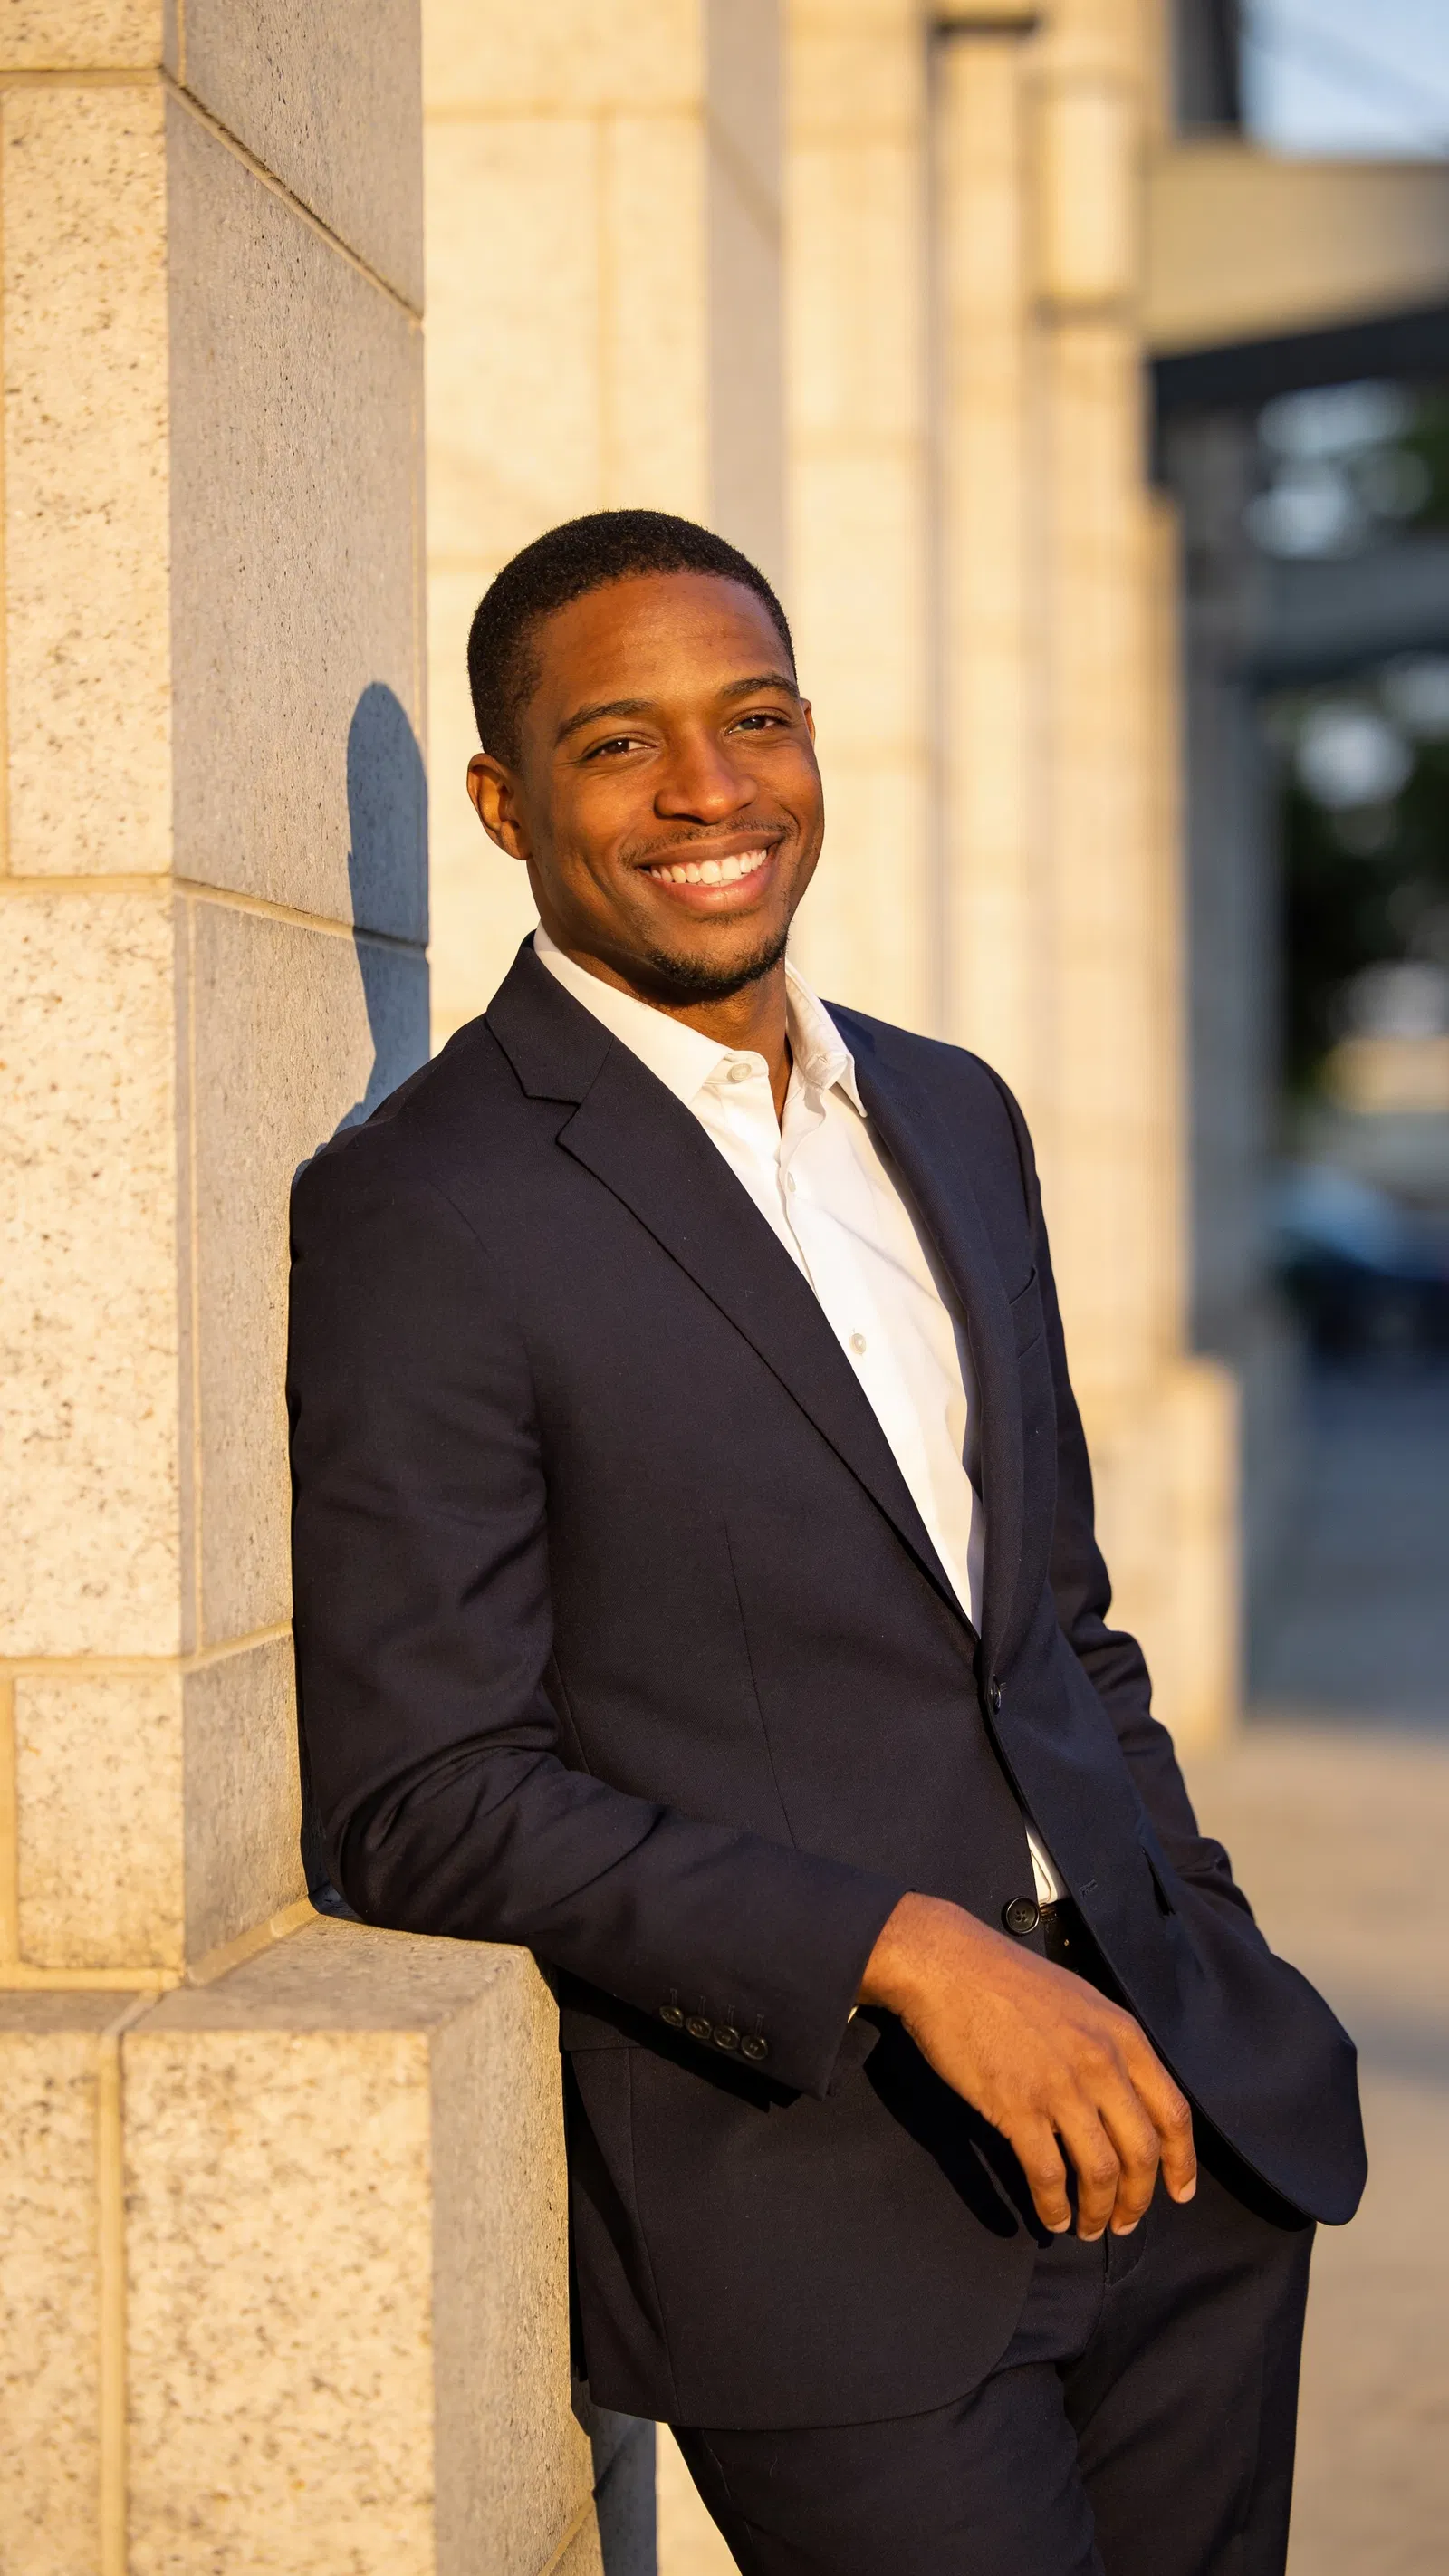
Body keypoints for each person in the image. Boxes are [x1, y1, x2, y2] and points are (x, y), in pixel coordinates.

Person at [288, 510, 1365, 2575]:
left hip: (1177, 2139)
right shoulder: (427, 1209)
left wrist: (1193, 1943)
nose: (708, 791)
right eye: (618, 745)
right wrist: (905, 1943)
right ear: (506, 808)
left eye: (751, 717)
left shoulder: (953, 1117)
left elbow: (1050, 1627)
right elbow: (426, 1796)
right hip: (826, 2226)